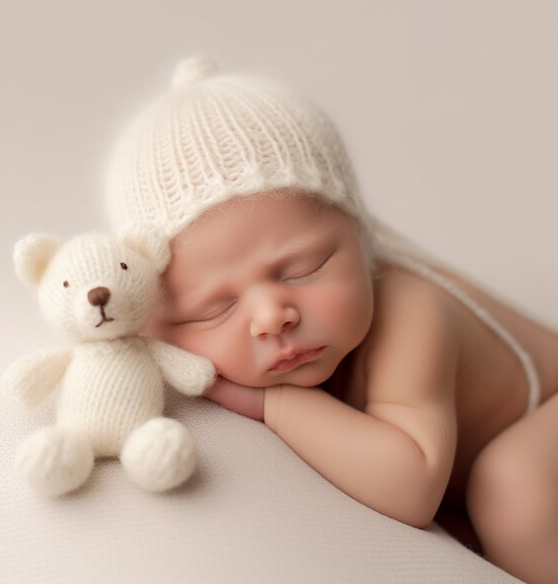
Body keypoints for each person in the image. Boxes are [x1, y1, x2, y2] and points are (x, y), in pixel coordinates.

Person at [106, 57, 558, 583]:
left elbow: (412, 486)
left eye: (304, 268)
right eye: (215, 309)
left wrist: (273, 402)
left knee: (510, 486)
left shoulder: (413, 315)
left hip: (545, 410)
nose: (271, 317)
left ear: (361, 238)